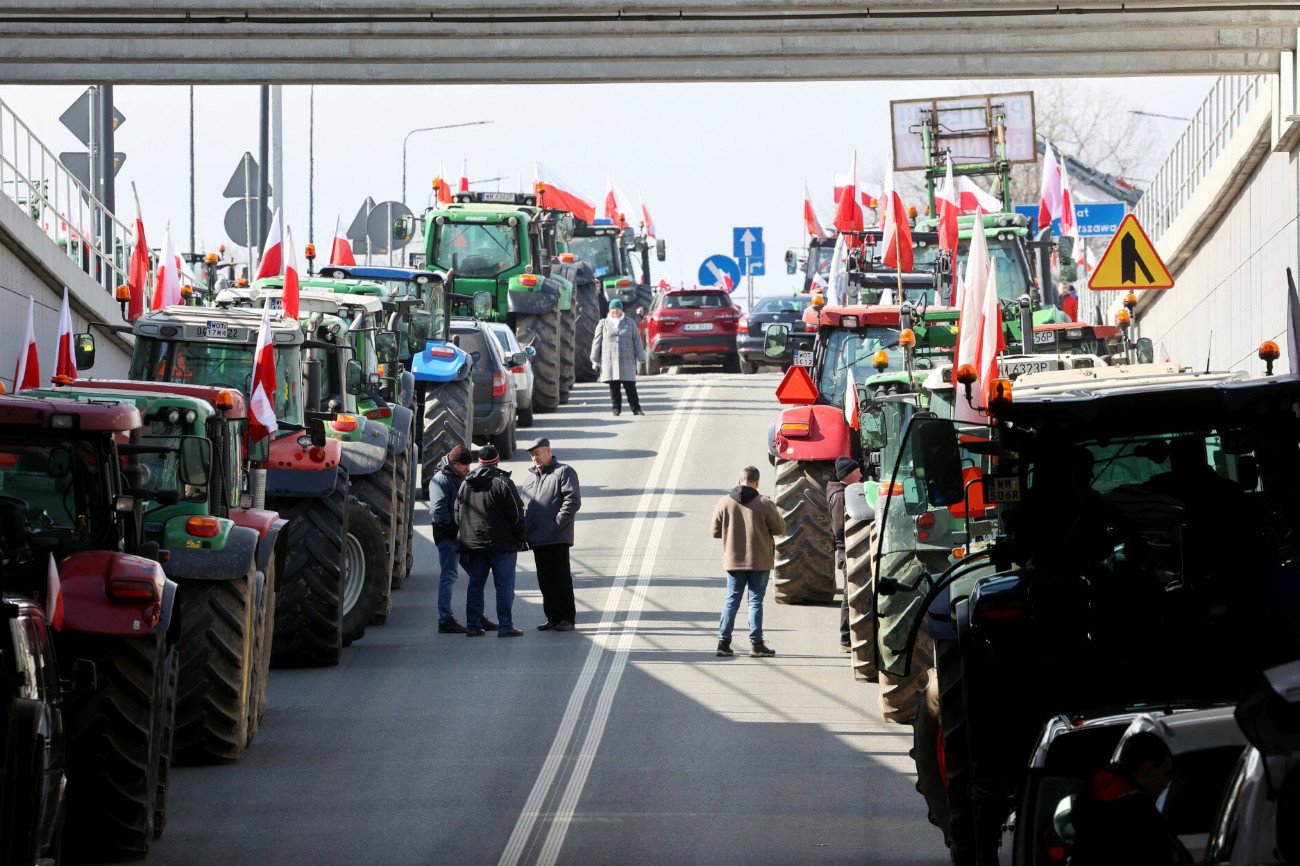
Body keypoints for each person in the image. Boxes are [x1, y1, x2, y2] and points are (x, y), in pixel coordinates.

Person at [1070, 731, 1193, 866]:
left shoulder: (1091, 795)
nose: (1167, 782)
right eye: (1167, 773)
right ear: (1148, 769)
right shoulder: (1139, 812)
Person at [711, 465, 787, 658]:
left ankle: (723, 643)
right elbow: (780, 529)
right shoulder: (764, 503)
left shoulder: (724, 502)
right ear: (757, 482)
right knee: (755, 602)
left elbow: (714, 531)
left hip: (733, 561)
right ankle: (757, 644)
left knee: (731, 600)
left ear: (739, 480)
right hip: (759, 561)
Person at [454, 444, 528, 637]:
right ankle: (505, 626)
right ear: (497, 461)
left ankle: (473, 625)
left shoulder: (465, 483)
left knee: (475, 584)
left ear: (478, 462)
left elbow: (457, 513)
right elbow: (517, 514)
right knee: (504, 586)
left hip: (473, 544)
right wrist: (521, 538)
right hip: (502, 545)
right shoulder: (503, 482)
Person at [518, 437, 582, 632]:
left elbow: (572, 501)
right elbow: (525, 507)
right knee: (545, 580)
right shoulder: (529, 479)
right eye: (532, 455)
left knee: (560, 578)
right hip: (537, 538)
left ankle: (566, 618)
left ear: (548, 451)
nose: (534, 458)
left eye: (537, 453)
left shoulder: (563, 471)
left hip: (556, 537)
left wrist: (556, 525)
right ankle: (552, 617)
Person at [430, 444, 493, 634]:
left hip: (463, 536)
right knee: (449, 576)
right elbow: (438, 511)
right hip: (449, 537)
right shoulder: (440, 480)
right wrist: (454, 530)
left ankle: (477, 616)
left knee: (477, 574)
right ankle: (445, 620)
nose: (468, 469)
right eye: (464, 466)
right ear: (454, 463)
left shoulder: (459, 476)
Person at [826, 456, 861, 653]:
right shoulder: (840, 497)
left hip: (848, 548)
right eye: (857, 471)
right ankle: (846, 638)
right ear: (847, 475)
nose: (861, 474)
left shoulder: (845, 492)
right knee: (850, 594)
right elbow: (839, 528)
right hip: (846, 549)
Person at [591, 298, 646, 416]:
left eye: (617, 308)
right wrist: (595, 361)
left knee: (630, 386)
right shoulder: (603, 323)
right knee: (614, 387)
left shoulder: (629, 322)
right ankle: (616, 408)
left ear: (621, 310)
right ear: (609, 310)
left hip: (627, 360)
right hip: (610, 360)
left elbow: (637, 341)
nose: (614, 311)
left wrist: (641, 357)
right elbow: (597, 342)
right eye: (612, 308)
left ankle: (636, 408)